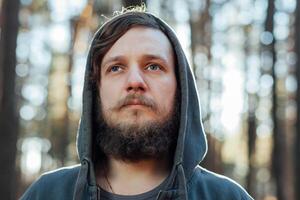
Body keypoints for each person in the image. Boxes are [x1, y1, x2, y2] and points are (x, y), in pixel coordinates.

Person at [21, 6, 253, 200]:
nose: (134, 81)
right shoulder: (46, 193)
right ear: (97, 90)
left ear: (180, 89)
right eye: (116, 68)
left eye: (153, 66)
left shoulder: (226, 196)